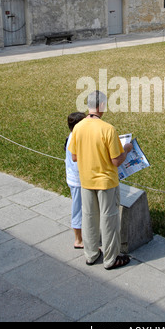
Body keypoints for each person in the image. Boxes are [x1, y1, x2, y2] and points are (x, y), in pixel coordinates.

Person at [68, 90, 133, 270]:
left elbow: (74, 156)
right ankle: (111, 259)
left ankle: (91, 254)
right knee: (109, 219)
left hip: (86, 181)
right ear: (102, 106)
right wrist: (126, 149)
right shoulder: (108, 129)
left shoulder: (79, 127)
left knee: (89, 218)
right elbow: (116, 160)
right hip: (106, 182)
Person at [65, 111, 86, 249]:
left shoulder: (73, 137)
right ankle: (78, 240)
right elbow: (77, 162)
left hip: (76, 180)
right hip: (78, 181)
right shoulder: (75, 140)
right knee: (78, 209)